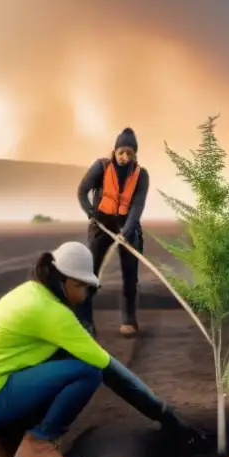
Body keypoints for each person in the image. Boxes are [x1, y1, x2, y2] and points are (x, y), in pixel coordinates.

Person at [0, 241, 206, 457]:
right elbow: (111, 371)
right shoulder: (52, 313)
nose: (85, 293)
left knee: (59, 362)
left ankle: (0, 438)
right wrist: (166, 415)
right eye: (81, 286)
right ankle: (37, 445)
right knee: (87, 371)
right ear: (61, 280)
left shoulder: (28, 293)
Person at [76, 127, 149, 338]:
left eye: (130, 153)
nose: (125, 157)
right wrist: (91, 214)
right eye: (121, 152)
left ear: (135, 155)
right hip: (101, 223)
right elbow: (82, 191)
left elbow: (137, 206)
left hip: (128, 224)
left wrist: (126, 231)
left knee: (130, 275)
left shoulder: (141, 175)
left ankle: (128, 319)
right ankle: (85, 321)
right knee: (91, 274)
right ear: (114, 151)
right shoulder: (101, 166)